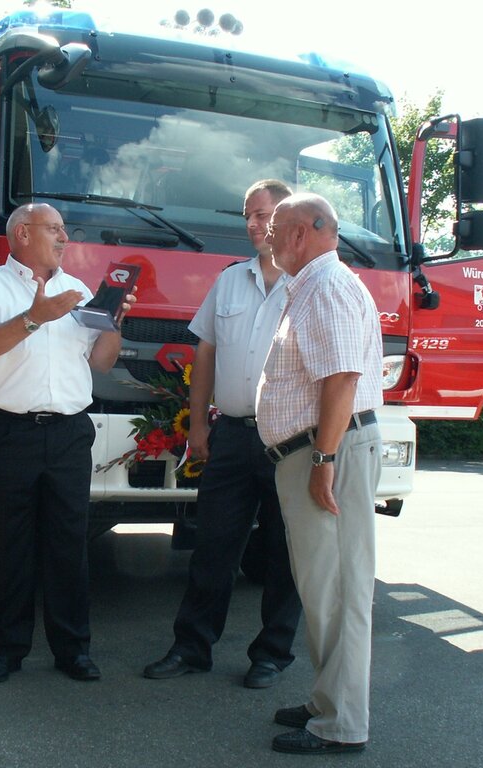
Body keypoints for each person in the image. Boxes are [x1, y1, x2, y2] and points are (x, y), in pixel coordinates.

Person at [0, 203, 133, 684]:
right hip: (7, 431)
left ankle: (72, 650)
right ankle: (7, 650)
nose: (62, 238)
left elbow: (100, 361)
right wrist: (33, 318)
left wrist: (114, 322)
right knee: (7, 544)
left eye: (63, 231)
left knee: (68, 544)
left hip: (69, 433)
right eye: (53, 229)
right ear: (21, 234)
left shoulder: (77, 293)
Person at [143, 179, 302, 688]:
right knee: (213, 549)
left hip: (290, 440)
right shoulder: (230, 282)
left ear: (290, 218)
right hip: (231, 436)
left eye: (263, 214)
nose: (253, 225)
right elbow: (205, 354)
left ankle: (272, 655)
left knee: (284, 554)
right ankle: (191, 648)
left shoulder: (313, 284)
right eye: (248, 216)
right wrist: (199, 427)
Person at [257, 193, 382, 755]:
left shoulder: (326, 286)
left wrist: (323, 461)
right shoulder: (312, 285)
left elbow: (341, 380)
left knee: (338, 591)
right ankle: (326, 700)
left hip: (330, 450)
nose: (268, 236)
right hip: (319, 449)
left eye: (277, 228)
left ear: (304, 233)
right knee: (322, 588)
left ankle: (341, 723)